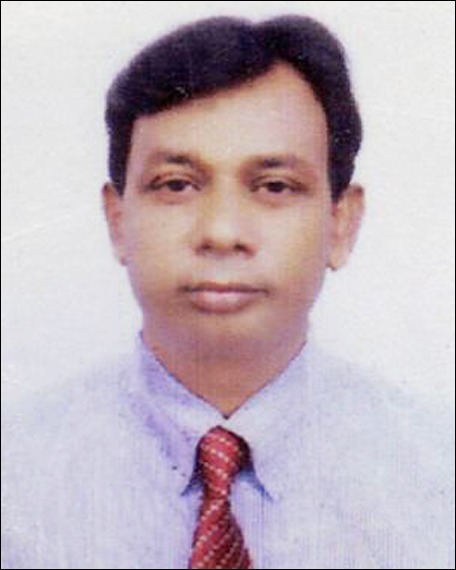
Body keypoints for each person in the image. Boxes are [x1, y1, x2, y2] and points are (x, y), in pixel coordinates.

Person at [1, 15, 453, 570]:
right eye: (176, 184)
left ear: (341, 223)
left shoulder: (438, 479)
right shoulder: (13, 481)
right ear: (117, 220)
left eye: (274, 186)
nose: (221, 232)